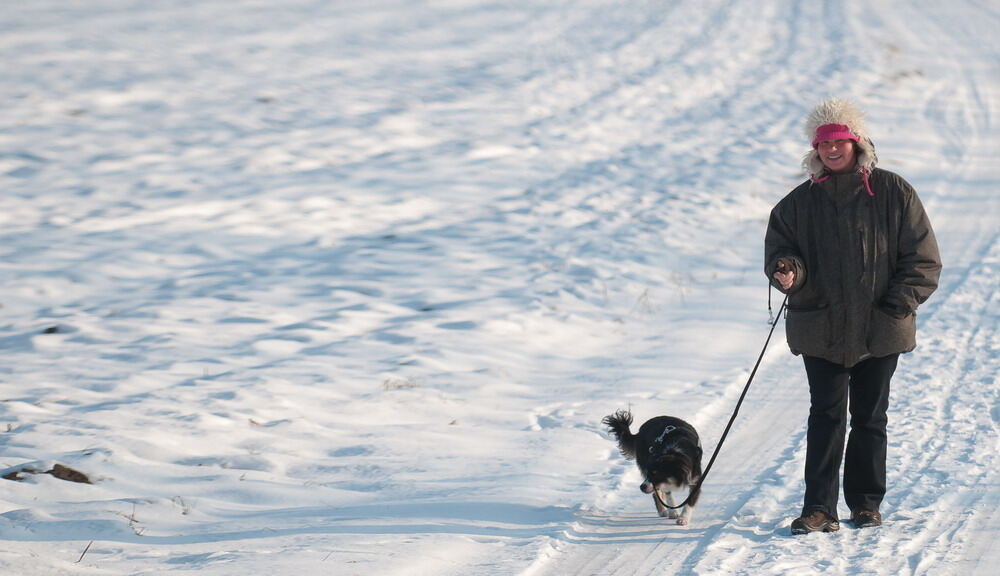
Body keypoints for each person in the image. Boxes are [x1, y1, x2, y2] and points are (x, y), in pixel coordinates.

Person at [764, 98, 941, 535]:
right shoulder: (797, 204)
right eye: (824, 144)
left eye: (839, 141)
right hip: (819, 326)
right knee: (825, 415)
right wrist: (787, 271)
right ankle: (819, 507)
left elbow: (922, 259)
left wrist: (899, 302)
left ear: (856, 143)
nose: (832, 150)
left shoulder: (893, 192)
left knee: (869, 417)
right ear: (815, 150)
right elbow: (783, 252)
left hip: (880, 326)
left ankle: (865, 504)